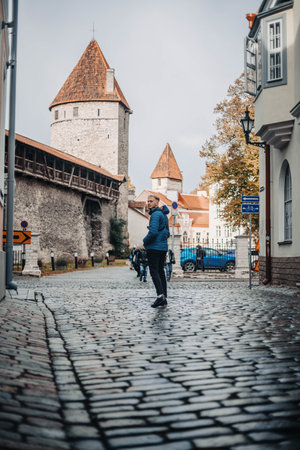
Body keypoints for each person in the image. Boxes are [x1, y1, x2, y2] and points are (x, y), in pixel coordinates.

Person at [143, 195, 170, 308]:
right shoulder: (164, 215)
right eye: (148, 201)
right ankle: (164, 296)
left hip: (154, 248)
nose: (148, 203)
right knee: (160, 271)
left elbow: (153, 232)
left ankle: (160, 296)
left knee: (154, 271)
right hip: (163, 248)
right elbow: (168, 232)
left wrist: (145, 241)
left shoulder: (155, 215)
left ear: (157, 203)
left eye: (151, 201)